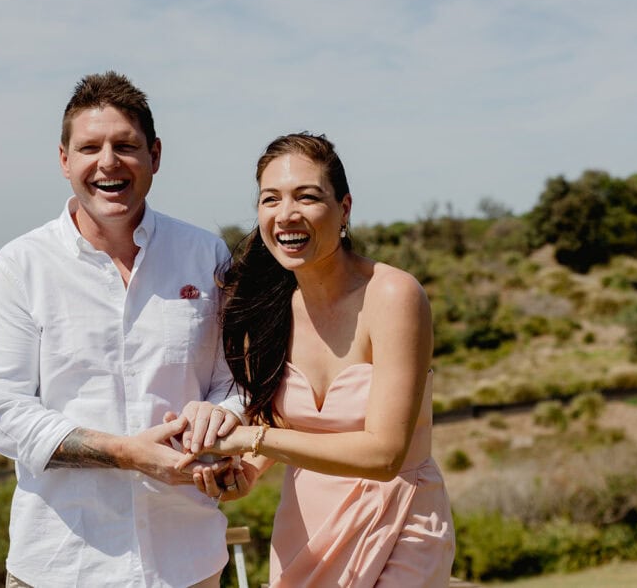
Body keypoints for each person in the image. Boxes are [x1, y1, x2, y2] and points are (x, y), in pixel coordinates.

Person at [0, 71, 245, 588]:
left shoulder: (206, 254)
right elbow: (4, 414)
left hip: (187, 562)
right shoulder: (19, 266)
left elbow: (233, 382)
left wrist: (217, 418)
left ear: (155, 156)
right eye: (89, 147)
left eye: (126, 145)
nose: (107, 162)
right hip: (61, 565)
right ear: (64, 161)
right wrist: (128, 454)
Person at [181, 133, 455, 587]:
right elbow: (286, 426)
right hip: (306, 532)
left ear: (344, 208)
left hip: (400, 522)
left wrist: (255, 441)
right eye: (271, 199)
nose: (286, 213)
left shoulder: (393, 295)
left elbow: (385, 454)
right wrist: (244, 472)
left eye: (307, 196)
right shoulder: (268, 309)